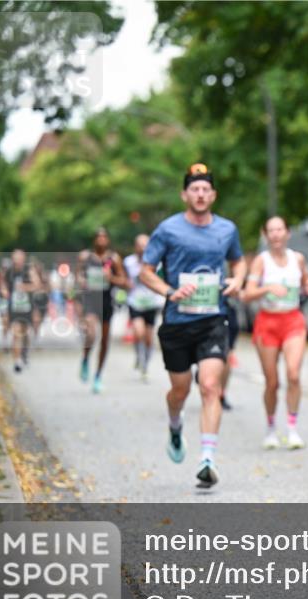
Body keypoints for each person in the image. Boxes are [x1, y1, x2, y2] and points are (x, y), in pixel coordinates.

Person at [138, 163, 245, 488]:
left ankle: (207, 459)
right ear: (185, 195)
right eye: (194, 189)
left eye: (205, 190)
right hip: (177, 322)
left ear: (213, 195)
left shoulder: (226, 229)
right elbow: (145, 271)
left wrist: (238, 279)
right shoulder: (168, 229)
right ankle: (175, 425)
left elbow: (238, 260)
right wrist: (169, 291)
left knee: (210, 386)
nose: (200, 194)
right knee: (180, 390)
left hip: (213, 318)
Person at [242, 216, 308, 449]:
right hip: (268, 323)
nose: (275, 234)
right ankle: (271, 428)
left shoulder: (298, 259)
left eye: (279, 229)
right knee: (272, 382)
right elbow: (247, 294)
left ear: (287, 233)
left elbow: (306, 281)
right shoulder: (261, 261)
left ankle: (292, 429)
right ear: (266, 235)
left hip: (292, 321)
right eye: (271, 231)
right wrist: (267, 288)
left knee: (293, 375)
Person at [76, 228, 129, 393]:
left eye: (104, 237)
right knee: (91, 333)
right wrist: (81, 281)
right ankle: (85, 358)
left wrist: (110, 277)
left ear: (108, 240)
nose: (101, 239)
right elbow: (77, 276)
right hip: (90, 301)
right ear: (94, 240)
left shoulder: (114, 259)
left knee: (105, 341)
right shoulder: (85, 257)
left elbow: (124, 281)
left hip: (106, 302)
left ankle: (98, 376)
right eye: (98, 236)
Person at [124, 234, 166, 381]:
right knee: (138, 332)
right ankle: (139, 356)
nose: (142, 248)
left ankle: (145, 366)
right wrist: (126, 284)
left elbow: (162, 280)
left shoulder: (157, 262)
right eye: (140, 245)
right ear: (135, 246)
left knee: (148, 338)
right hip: (135, 302)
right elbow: (123, 279)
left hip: (151, 303)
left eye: (145, 245)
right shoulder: (128, 262)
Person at [0, 249, 42, 372]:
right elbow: (3, 283)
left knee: (25, 332)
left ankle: (25, 352)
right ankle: (17, 361)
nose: (16, 262)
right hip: (14, 307)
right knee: (16, 332)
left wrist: (25, 287)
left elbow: (37, 285)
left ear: (23, 259)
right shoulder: (9, 271)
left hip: (28, 306)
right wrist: (4, 291)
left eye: (18, 259)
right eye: (14, 259)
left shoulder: (29, 270)